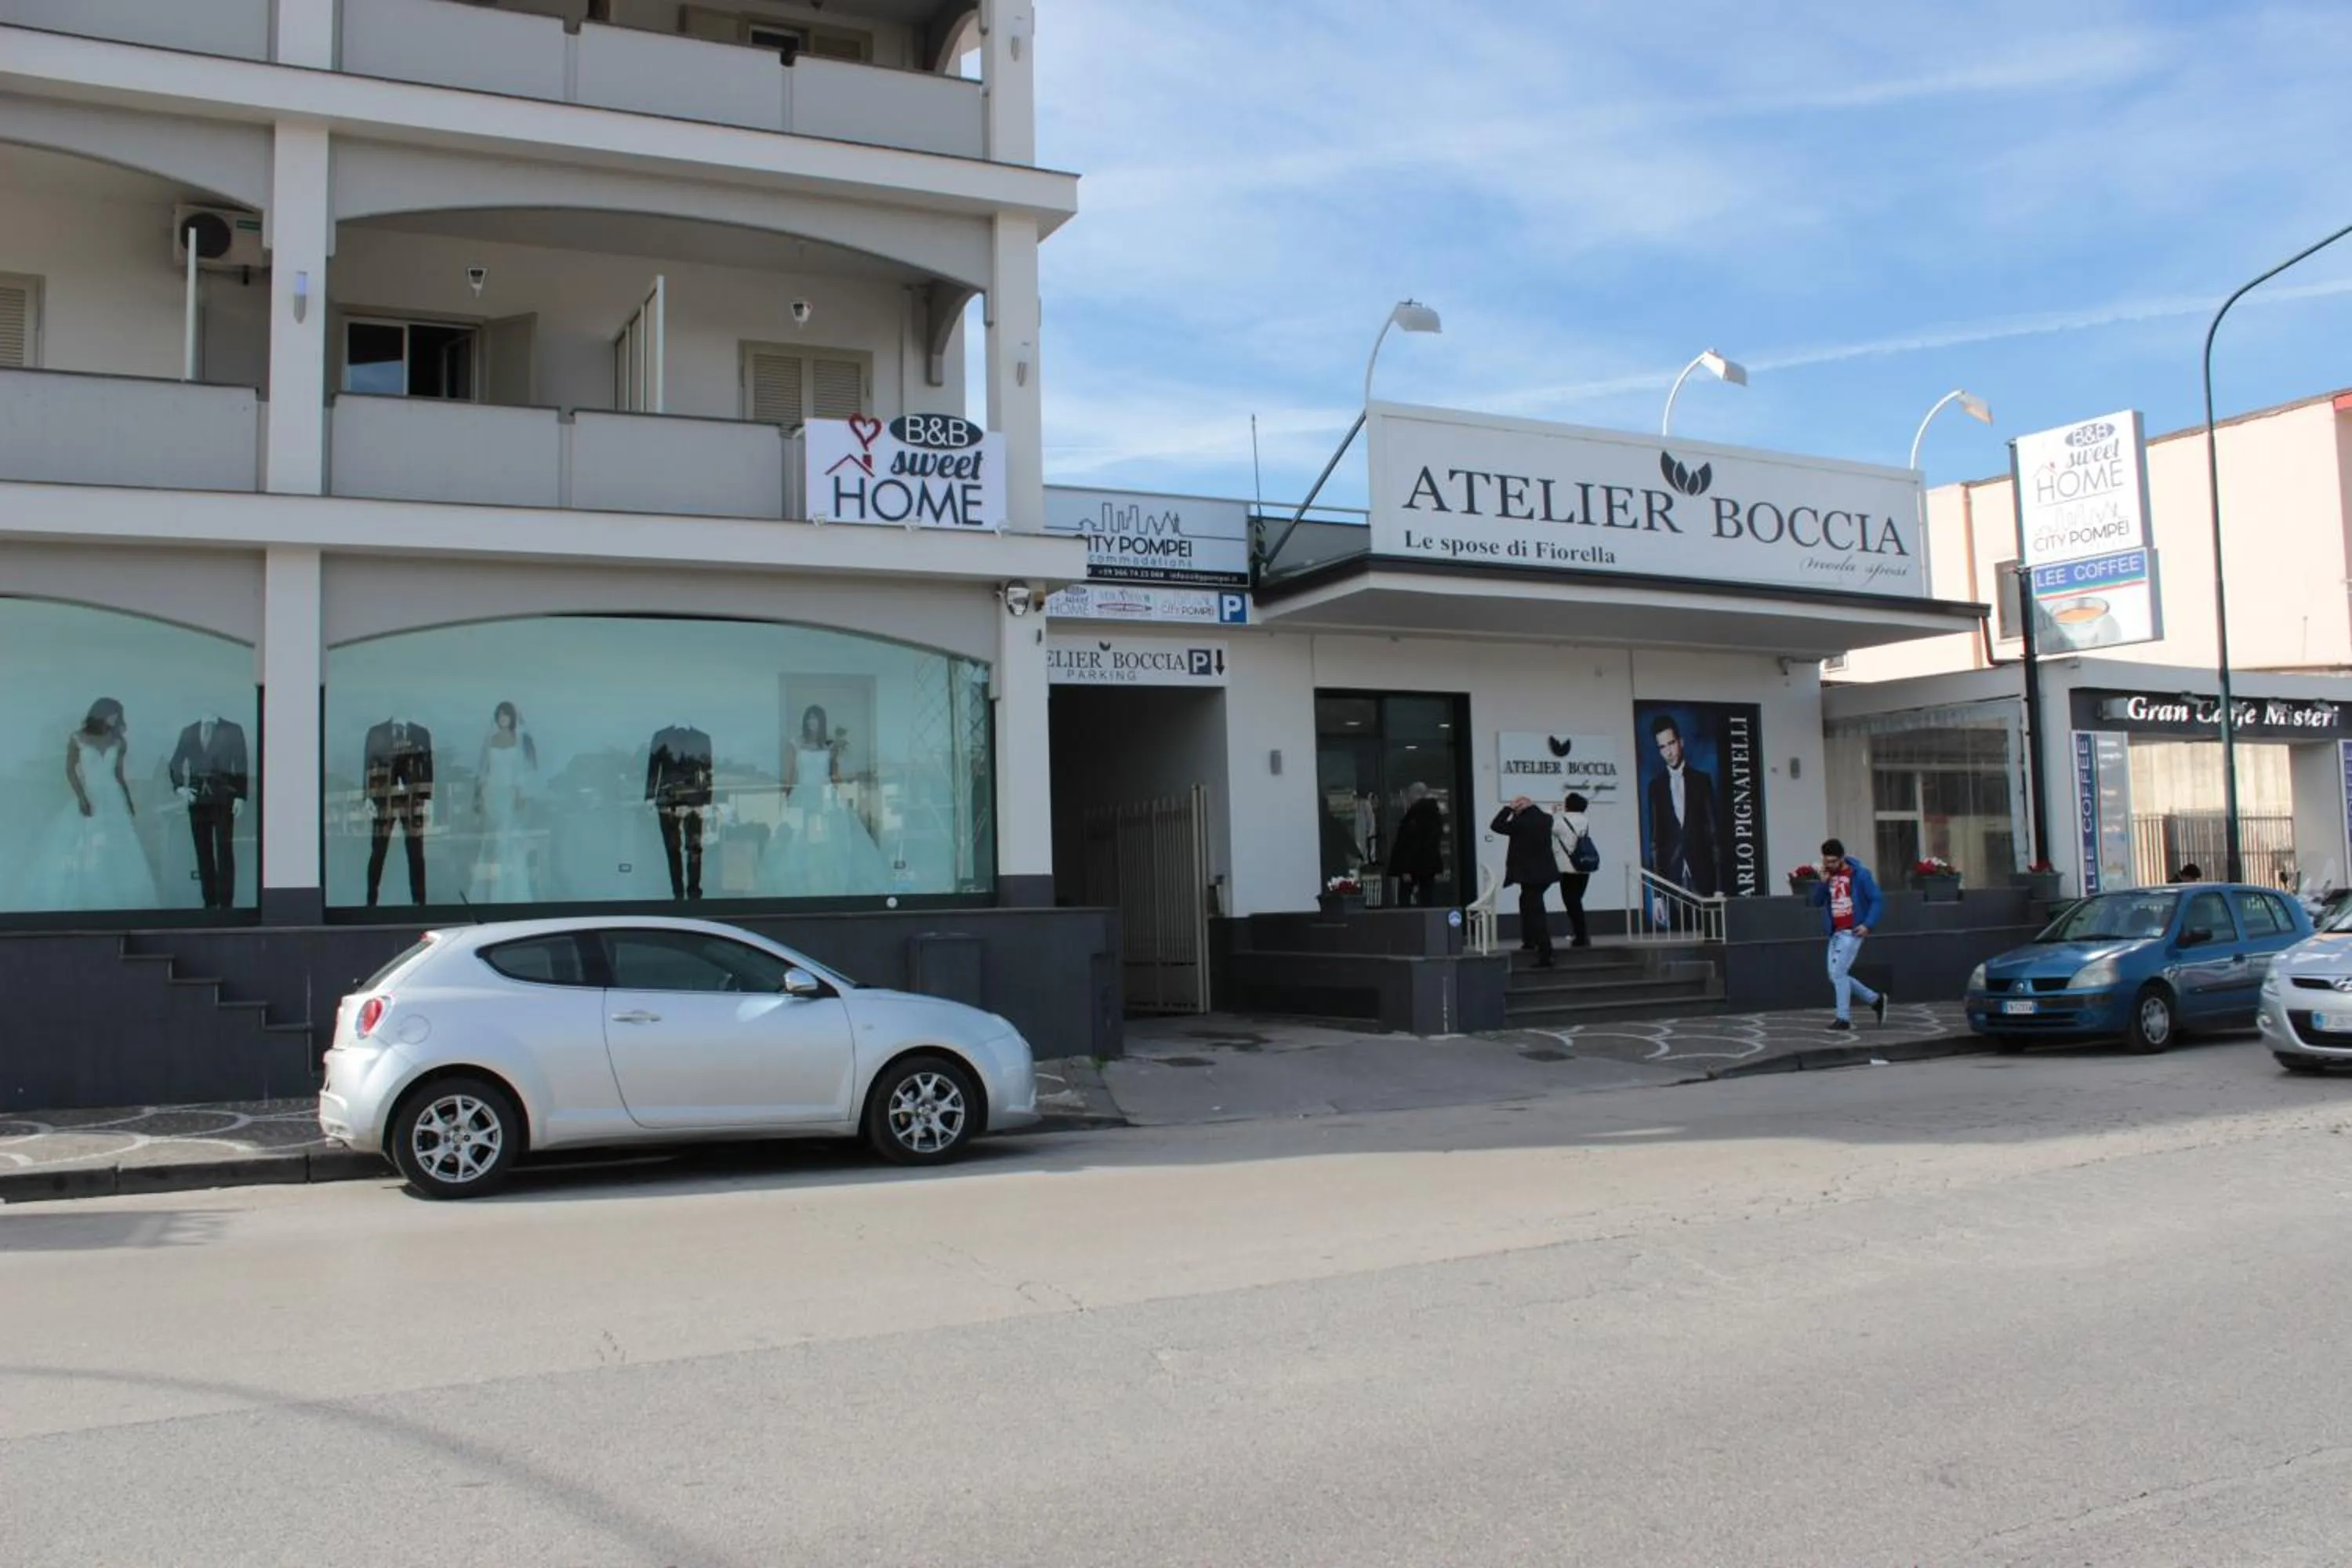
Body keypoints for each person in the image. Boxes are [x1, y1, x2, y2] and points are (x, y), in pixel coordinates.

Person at [16, 698, 162, 912]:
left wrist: (128, 800)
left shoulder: (118, 741)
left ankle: (120, 902)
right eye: (112, 714)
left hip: (113, 797)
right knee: (85, 845)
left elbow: (119, 775)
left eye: (117, 715)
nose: (115, 719)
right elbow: (70, 771)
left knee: (118, 847)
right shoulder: (78, 738)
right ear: (100, 714)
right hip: (91, 794)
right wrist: (82, 797)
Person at [1809, 837, 1886, 1031]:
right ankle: (1875, 1000)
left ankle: (1843, 1018)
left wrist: (1868, 924)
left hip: (1853, 931)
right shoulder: (1828, 876)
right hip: (1835, 932)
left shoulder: (1860, 875)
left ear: (1842, 858)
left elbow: (1877, 900)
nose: (1830, 865)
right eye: (1827, 862)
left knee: (1838, 974)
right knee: (1836, 975)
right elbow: (1816, 902)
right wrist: (1823, 883)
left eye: (1834, 861)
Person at [468, 701, 539, 903]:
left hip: (509, 794)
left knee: (508, 839)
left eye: (506, 716)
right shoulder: (490, 741)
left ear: (512, 718)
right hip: (492, 793)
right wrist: (479, 796)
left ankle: (511, 891)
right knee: (494, 839)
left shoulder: (519, 740)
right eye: (500, 716)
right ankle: (492, 891)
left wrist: (520, 794)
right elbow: (484, 769)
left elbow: (522, 771)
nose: (503, 720)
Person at [1645, 713, 1722, 897]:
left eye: (1671, 744)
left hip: (1703, 875)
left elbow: (1714, 835)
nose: (1669, 752)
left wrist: (1719, 886)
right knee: (1680, 926)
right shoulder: (1655, 787)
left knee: (1707, 925)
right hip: (1672, 878)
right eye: (1662, 747)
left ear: (1681, 742)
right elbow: (1656, 842)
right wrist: (1657, 896)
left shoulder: (1702, 781)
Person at [1491, 794, 1558, 967]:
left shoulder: (1520, 823)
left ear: (1520, 807)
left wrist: (1509, 809)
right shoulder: (1546, 819)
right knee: (1527, 903)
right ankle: (1529, 940)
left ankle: (1546, 952)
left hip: (1529, 875)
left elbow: (1496, 825)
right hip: (1545, 874)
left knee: (1535, 912)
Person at [1388, 782, 1446, 907]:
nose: (1408, 797)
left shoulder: (1416, 814)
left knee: (1405, 896)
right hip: (1427, 864)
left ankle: (1406, 923)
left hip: (1414, 865)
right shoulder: (1433, 814)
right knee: (1427, 896)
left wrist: (1406, 868)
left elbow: (1410, 842)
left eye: (1410, 793)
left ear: (1416, 794)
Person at [1549, 790, 1595, 948]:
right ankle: (1580, 935)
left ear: (1568, 805)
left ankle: (1581, 937)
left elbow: (1548, 827)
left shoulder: (1561, 821)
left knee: (1571, 903)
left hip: (1567, 868)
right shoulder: (1584, 820)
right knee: (1576, 901)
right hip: (1583, 866)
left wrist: (1553, 812)